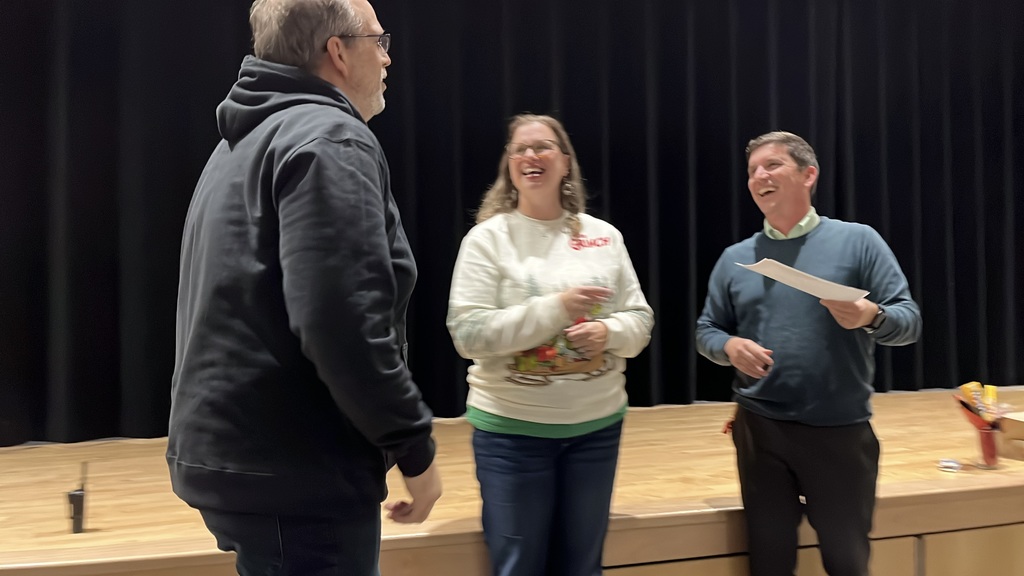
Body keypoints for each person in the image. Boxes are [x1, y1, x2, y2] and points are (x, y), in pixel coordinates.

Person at [167, 1, 441, 574]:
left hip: (233, 455)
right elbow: (342, 321)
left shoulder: (237, 143)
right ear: (338, 52)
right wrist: (413, 448)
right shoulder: (331, 140)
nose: (388, 57)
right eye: (378, 40)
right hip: (297, 470)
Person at [696, 131, 922, 576]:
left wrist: (870, 315)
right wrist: (729, 346)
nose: (759, 175)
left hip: (837, 431)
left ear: (809, 174)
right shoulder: (735, 259)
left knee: (847, 561)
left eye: (772, 164)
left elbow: (909, 321)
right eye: (752, 170)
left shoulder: (859, 241)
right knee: (769, 562)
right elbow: (706, 330)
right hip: (760, 431)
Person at [447, 114, 655, 576]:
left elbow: (640, 321)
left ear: (565, 162)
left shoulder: (604, 236)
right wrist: (556, 309)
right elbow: (468, 334)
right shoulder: (487, 241)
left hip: (596, 431)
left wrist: (609, 333)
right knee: (519, 567)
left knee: (582, 567)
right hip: (512, 435)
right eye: (520, 149)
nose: (530, 156)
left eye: (543, 147)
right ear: (510, 165)